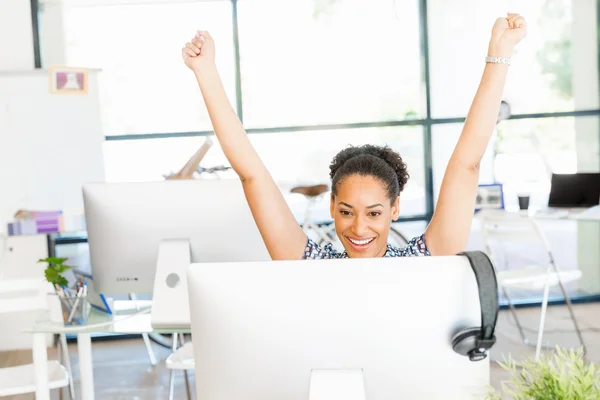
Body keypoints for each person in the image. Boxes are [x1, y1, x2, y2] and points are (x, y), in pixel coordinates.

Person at [181, 13, 527, 260]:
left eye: (374, 213)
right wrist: (206, 72)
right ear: (332, 207)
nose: (359, 229)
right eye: (347, 211)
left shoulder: (423, 261)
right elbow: (251, 174)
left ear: (395, 210)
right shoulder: (310, 264)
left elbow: (468, 164)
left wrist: (500, 53)